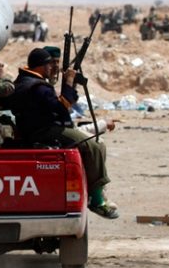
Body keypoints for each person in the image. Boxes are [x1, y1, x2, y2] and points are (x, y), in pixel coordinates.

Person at [7, 48, 118, 219]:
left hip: (36, 130)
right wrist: (69, 80)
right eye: (49, 65)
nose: (52, 68)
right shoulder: (38, 87)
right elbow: (62, 107)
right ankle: (96, 200)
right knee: (95, 146)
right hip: (46, 131)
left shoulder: (23, 81)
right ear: (41, 66)